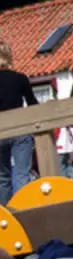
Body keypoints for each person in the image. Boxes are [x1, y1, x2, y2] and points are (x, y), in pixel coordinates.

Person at [0, 41, 36, 206]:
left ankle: (4, 215)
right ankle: (23, 209)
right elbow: (33, 104)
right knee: (22, 174)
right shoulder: (20, 79)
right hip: (20, 128)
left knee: (2, 177)